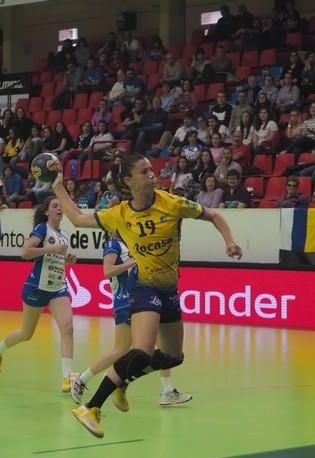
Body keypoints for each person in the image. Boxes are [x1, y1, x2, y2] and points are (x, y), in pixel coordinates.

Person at [46, 153, 241, 438]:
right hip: (143, 286)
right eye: (144, 171)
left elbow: (214, 215)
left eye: (152, 170)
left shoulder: (172, 203)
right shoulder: (120, 213)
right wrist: (57, 185)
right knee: (141, 350)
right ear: (128, 181)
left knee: (174, 357)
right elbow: (76, 218)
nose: (152, 174)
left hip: (169, 288)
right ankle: (91, 407)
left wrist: (230, 241)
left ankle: (126, 380)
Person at [71, 233, 192, 408]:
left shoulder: (132, 244)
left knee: (161, 348)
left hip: (142, 299)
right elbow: (107, 270)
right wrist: (133, 262)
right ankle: (83, 379)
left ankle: (166, 390)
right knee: (121, 350)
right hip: (127, 302)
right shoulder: (114, 244)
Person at [0, 196, 78, 392]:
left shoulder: (63, 234)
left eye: (60, 206)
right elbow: (25, 252)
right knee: (26, 334)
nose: (59, 208)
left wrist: (67, 258)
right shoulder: (42, 229)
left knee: (68, 327)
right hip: (37, 287)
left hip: (57, 287)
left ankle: (67, 378)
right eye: (55, 205)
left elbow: (54, 258)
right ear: (47, 212)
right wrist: (51, 248)